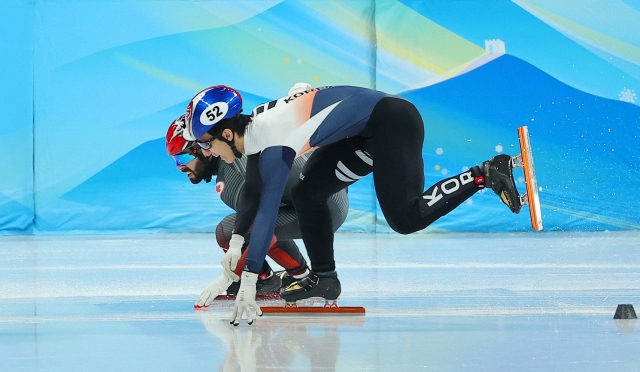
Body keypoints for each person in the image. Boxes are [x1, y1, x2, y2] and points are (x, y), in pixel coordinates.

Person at [183, 84, 522, 325]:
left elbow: (268, 211)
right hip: (361, 132)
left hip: (392, 124)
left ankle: (485, 173)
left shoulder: (271, 143)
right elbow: (254, 195)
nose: (206, 153)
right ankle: (325, 278)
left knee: (406, 218)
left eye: (204, 143)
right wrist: (237, 245)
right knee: (306, 193)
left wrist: (248, 281)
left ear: (227, 134)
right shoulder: (255, 131)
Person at [165, 113, 349, 308]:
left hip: (326, 208)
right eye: (176, 160)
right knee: (243, 226)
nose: (180, 167)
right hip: (327, 195)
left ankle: (298, 278)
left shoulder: (233, 175)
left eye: (181, 157)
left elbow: (261, 227)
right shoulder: (245, 141)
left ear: (204, 148)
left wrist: (235, 275)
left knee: (232, 230)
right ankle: (287, 276)